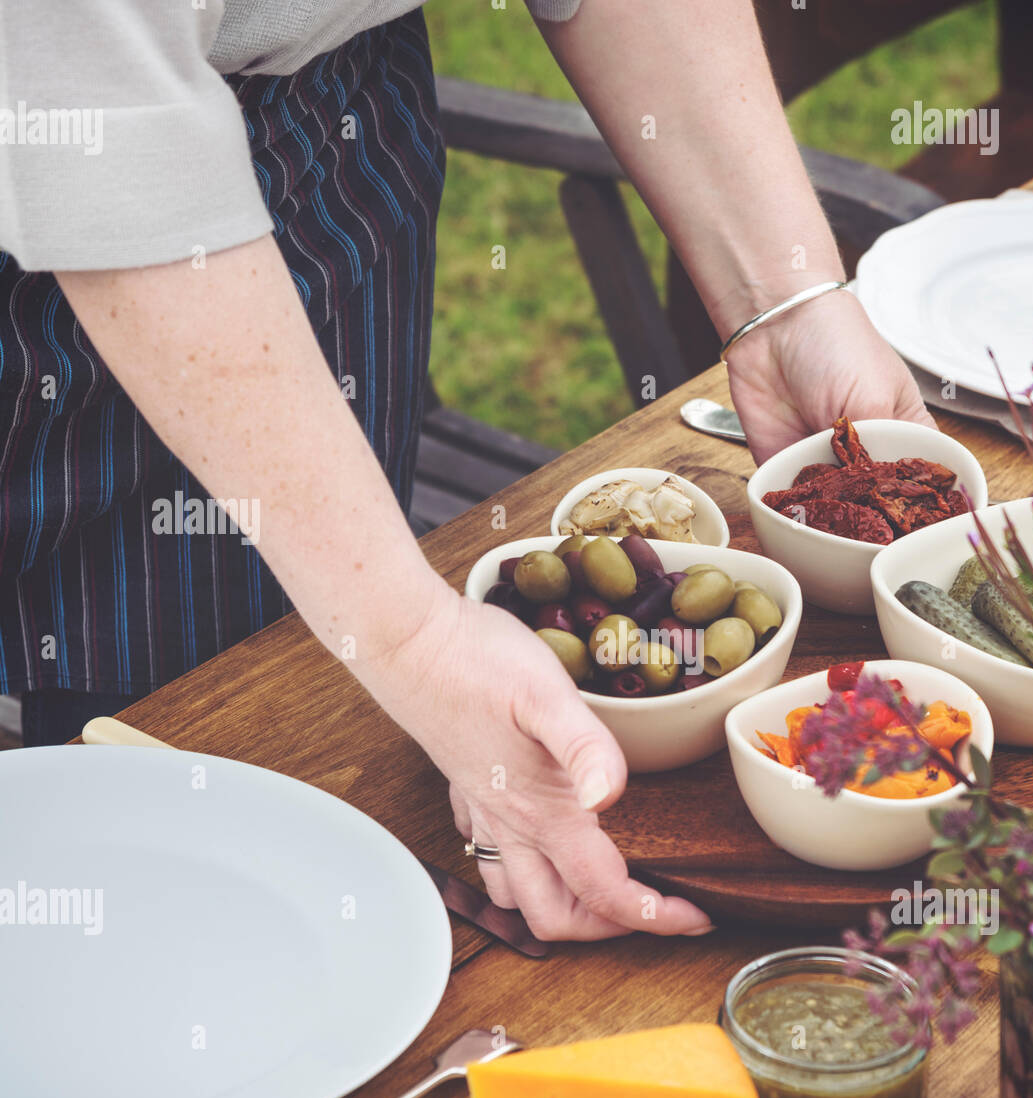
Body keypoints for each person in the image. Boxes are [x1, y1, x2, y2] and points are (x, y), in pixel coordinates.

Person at [0, 0, 932, 940]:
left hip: (339, 118)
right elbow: (97, 116)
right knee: (132, 851)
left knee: (281, 744)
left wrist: (785, 306)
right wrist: (415, 639)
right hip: (72, 189)